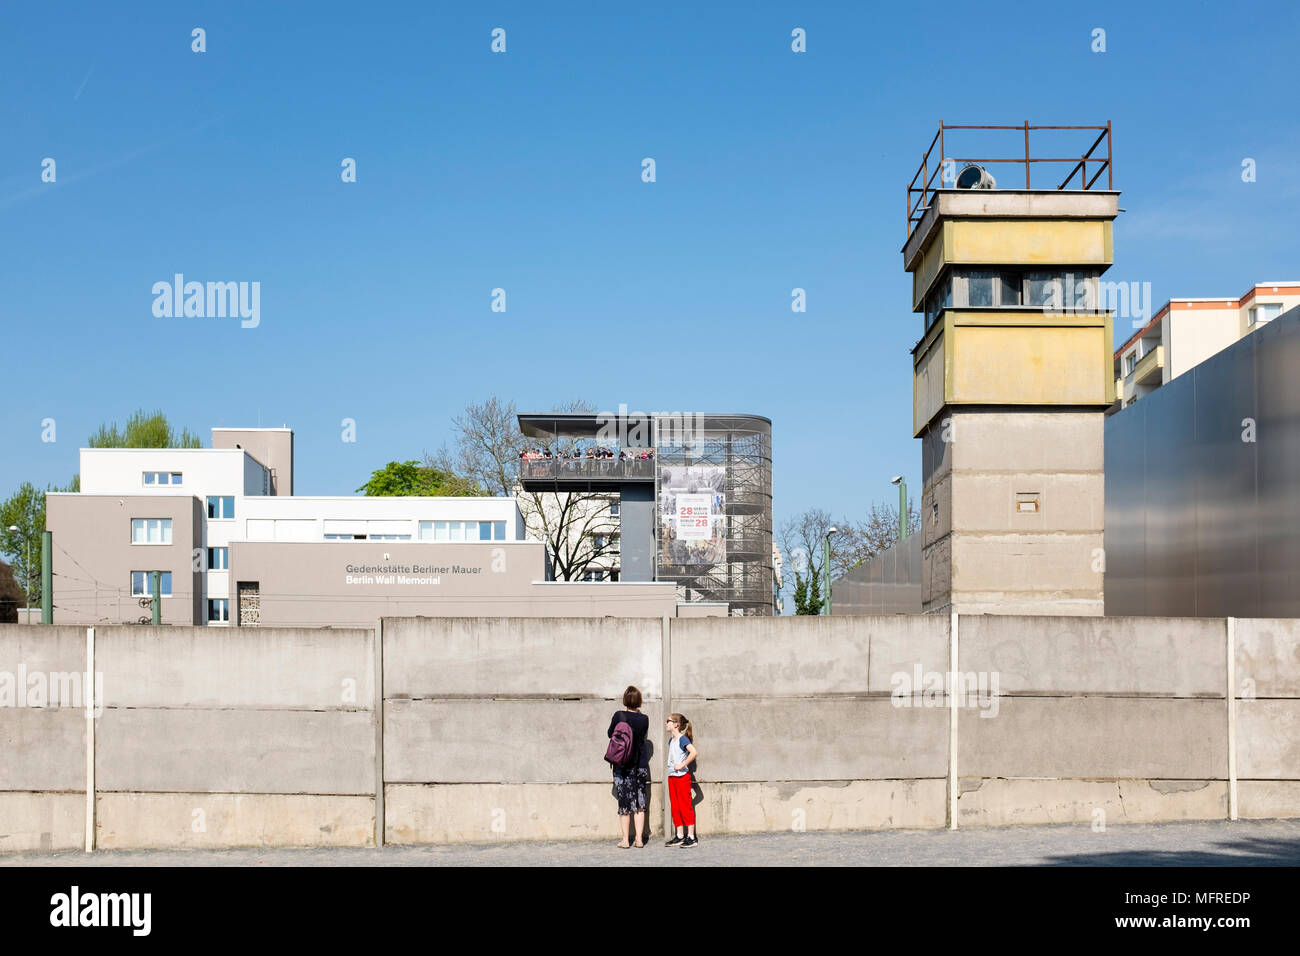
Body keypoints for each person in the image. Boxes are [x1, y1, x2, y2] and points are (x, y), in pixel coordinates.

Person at [608, 686, 651, 848]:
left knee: (624, 802)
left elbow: (610, 733)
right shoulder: (645, 719)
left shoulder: (619, 716)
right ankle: (639, 839)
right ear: (639, 701)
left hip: (622, 764)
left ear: (625, 699)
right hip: (640, 764)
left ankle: (626, 840)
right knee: (640, 801)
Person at [664, 713, 698, 847]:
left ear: (676, 724)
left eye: (668, 721)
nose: (666, 723)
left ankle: (691, 837)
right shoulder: (671, 740)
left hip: (682, 778)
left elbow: (694, 752)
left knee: (685, 806)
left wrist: (683, 765)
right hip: (672, 777)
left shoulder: (683, 739)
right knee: (675, 806)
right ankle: (679, 836)